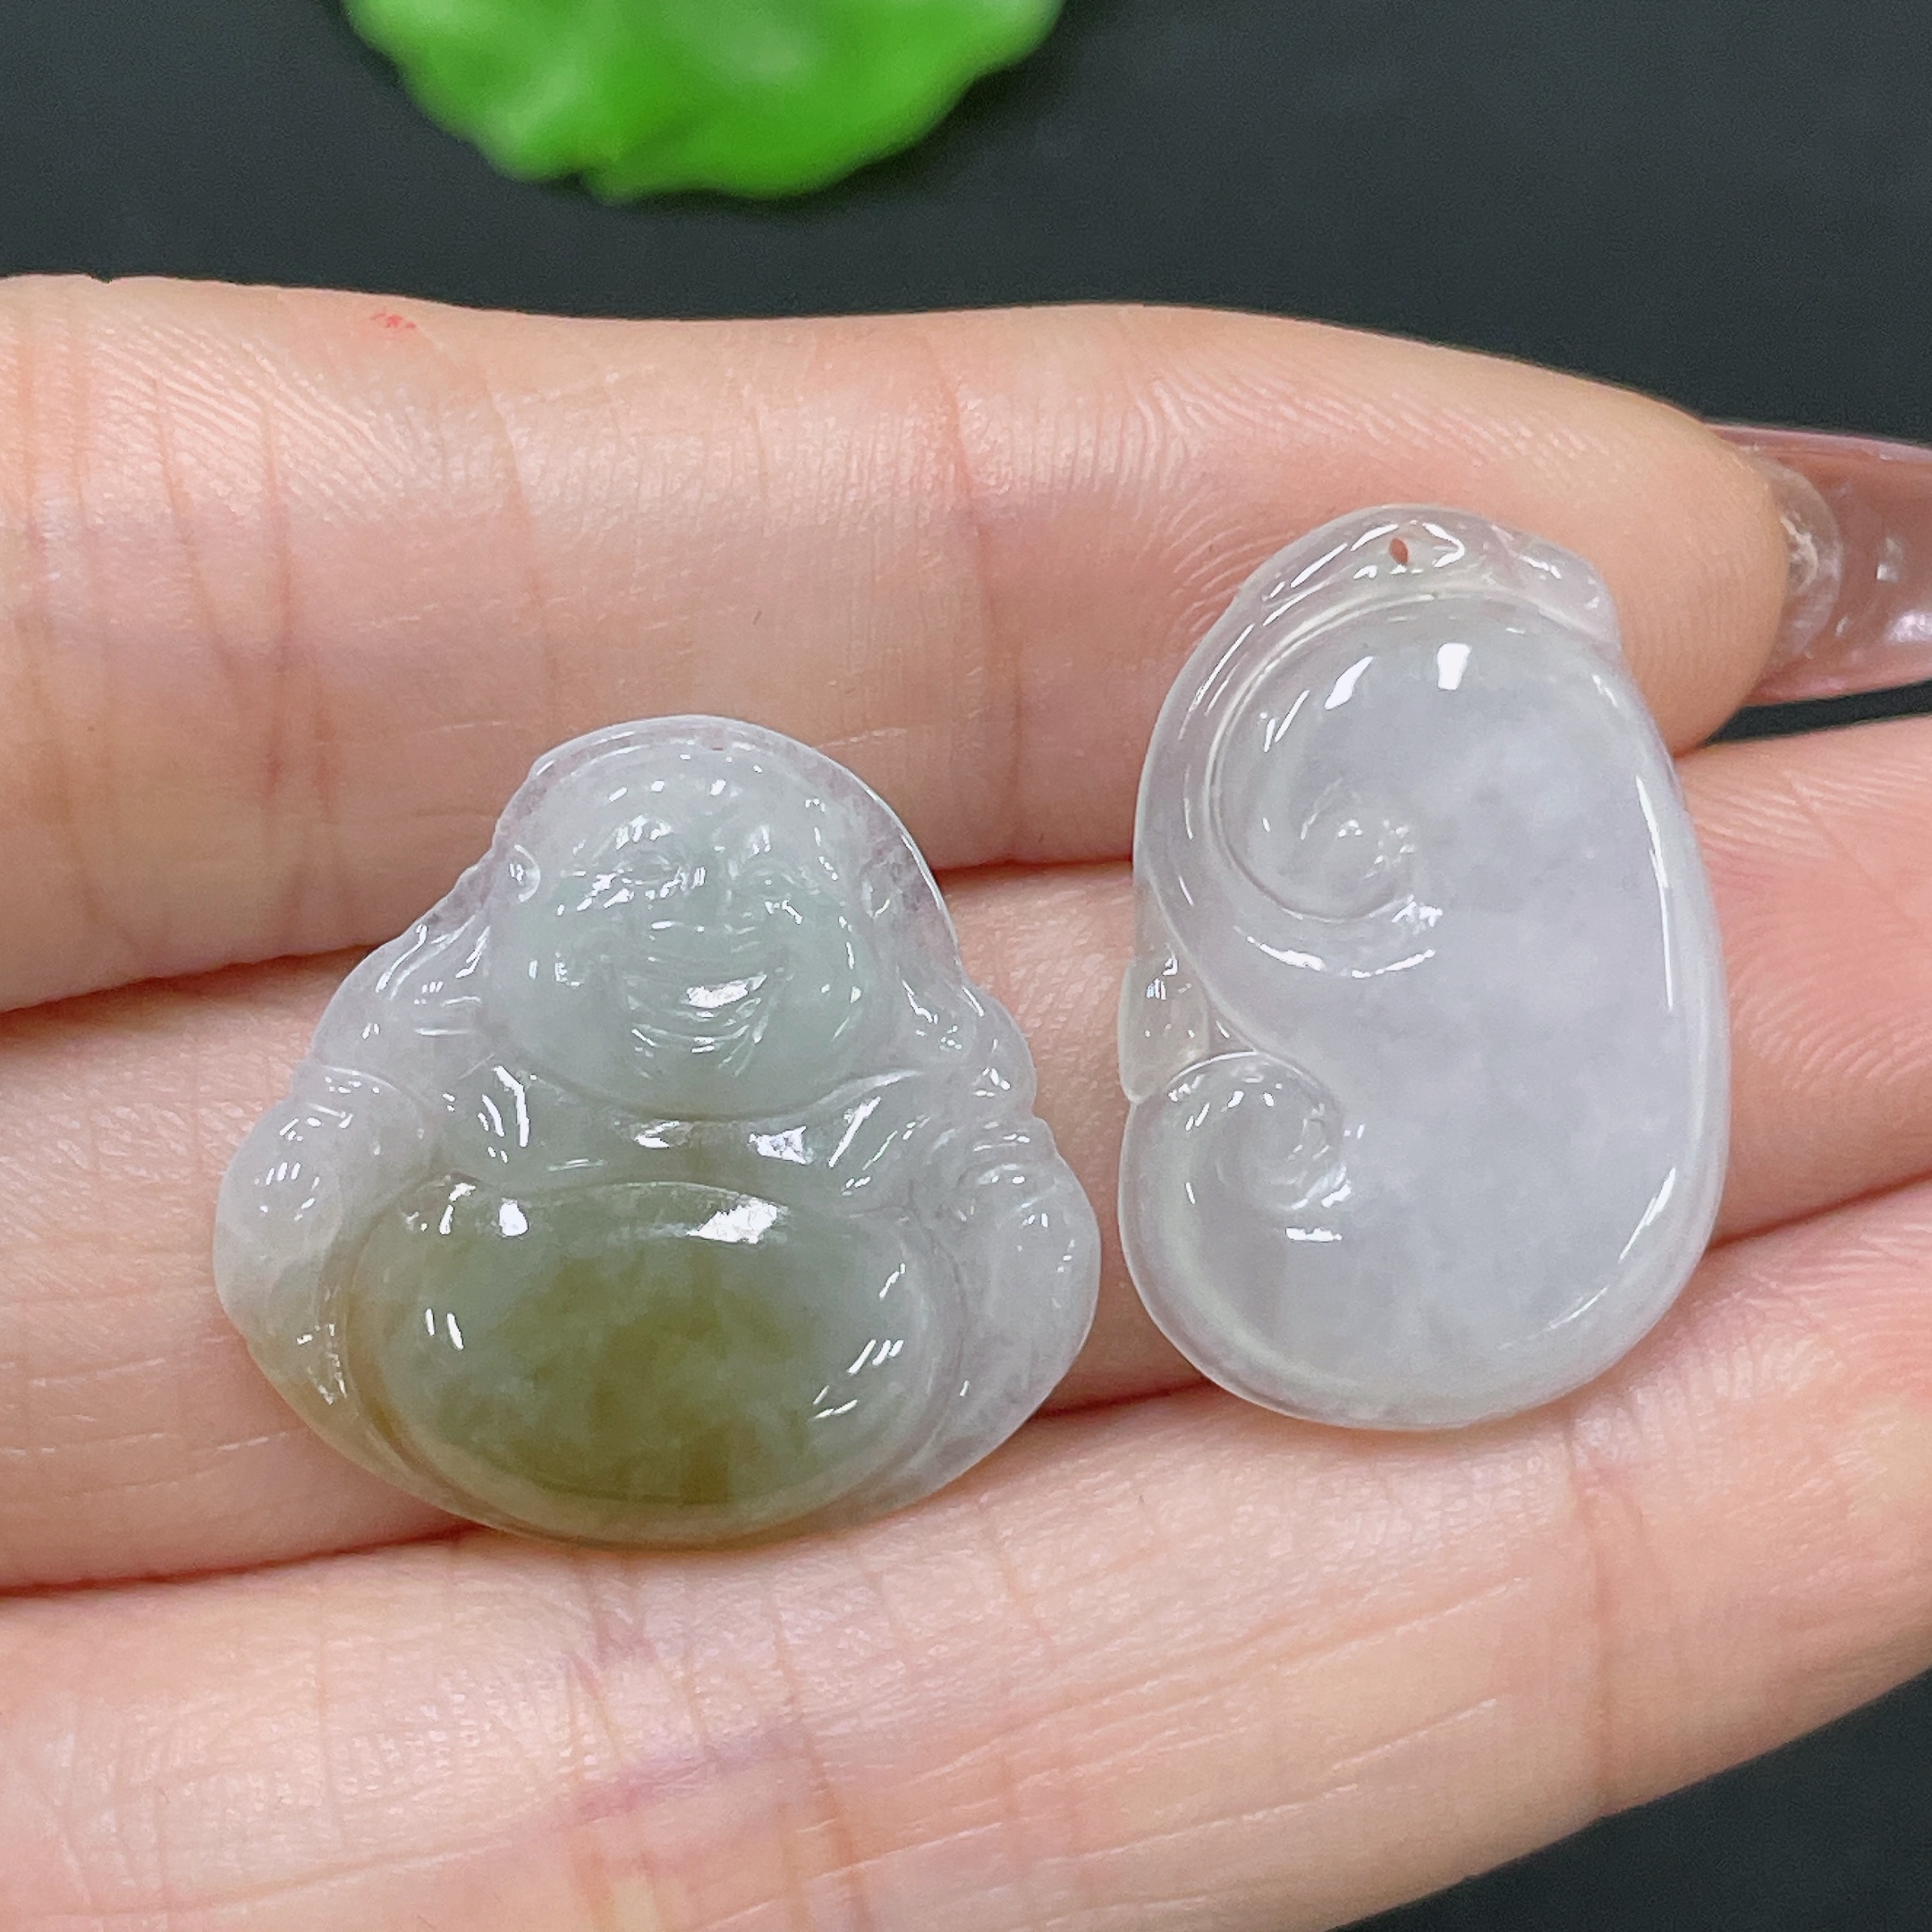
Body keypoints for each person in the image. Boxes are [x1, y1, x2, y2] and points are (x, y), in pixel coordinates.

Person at [0, 277, 1921, 1930]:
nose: (694, 942)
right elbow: (334, 1160)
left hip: (834, 1324)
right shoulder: (456, 1059)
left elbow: (989, 1208)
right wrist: (329, 1188)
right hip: (495, 1310)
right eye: (633, 897)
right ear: (513, 923)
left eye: (750, 904)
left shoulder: (898, 1094)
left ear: (858, 938)